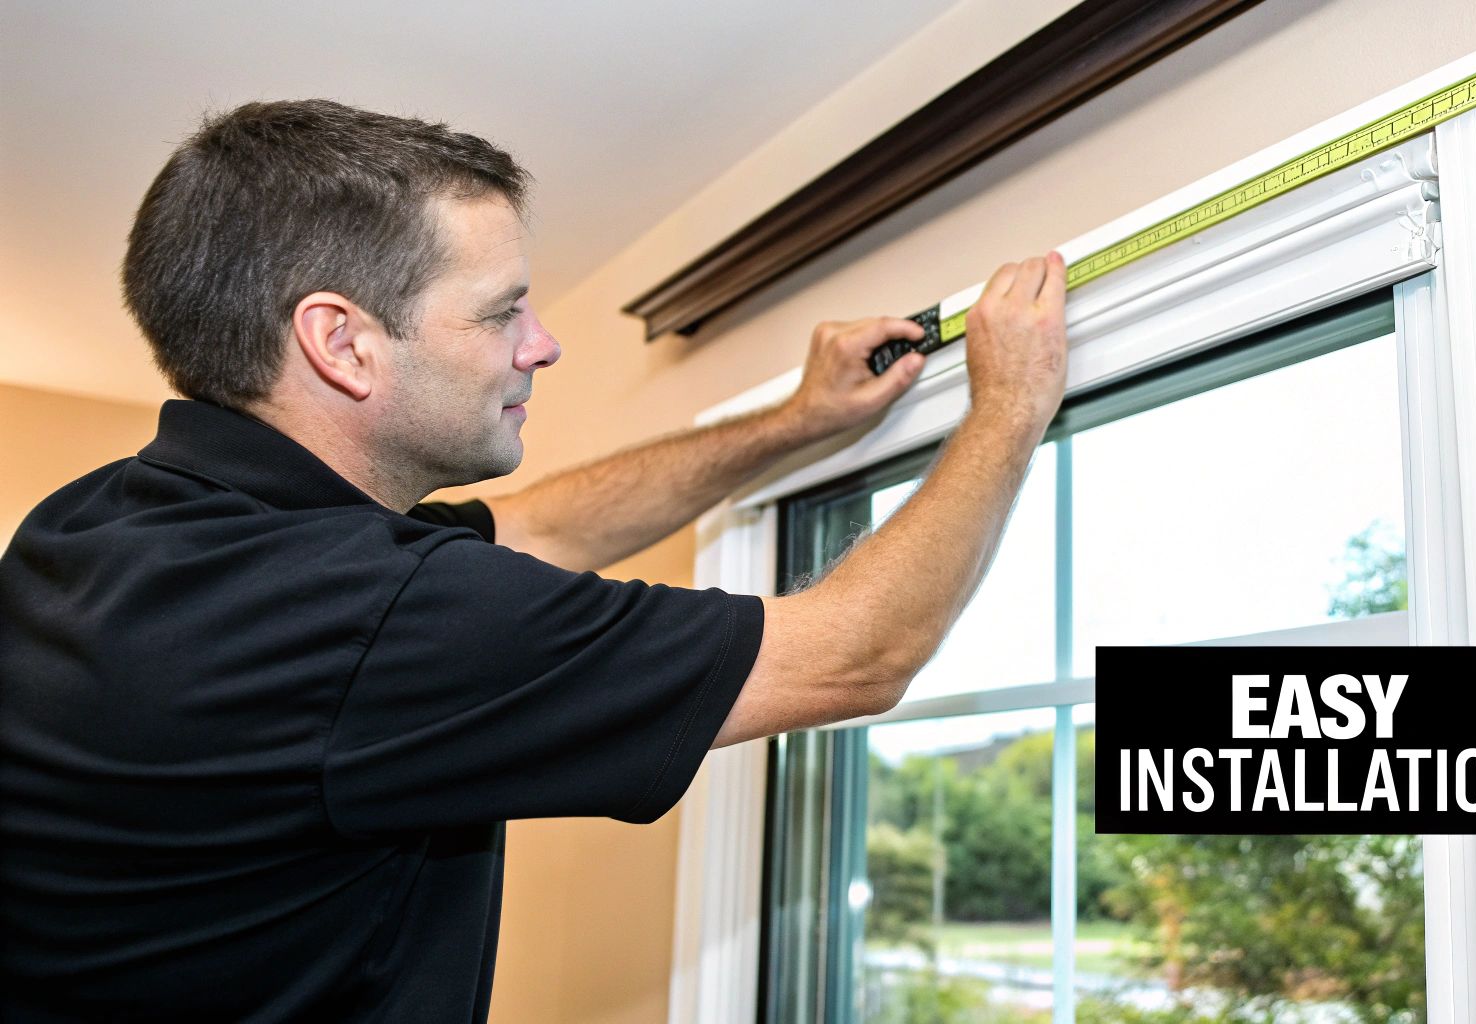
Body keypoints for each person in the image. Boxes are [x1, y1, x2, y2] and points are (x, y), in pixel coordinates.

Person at [0, 99, 1068, 1020]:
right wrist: (1010, 404)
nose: (541, 344)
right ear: (343, 342)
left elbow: (539, 529)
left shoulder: (99, 522)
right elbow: (856, 654)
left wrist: (791, 424)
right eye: (501, 311)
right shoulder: (365, 620)